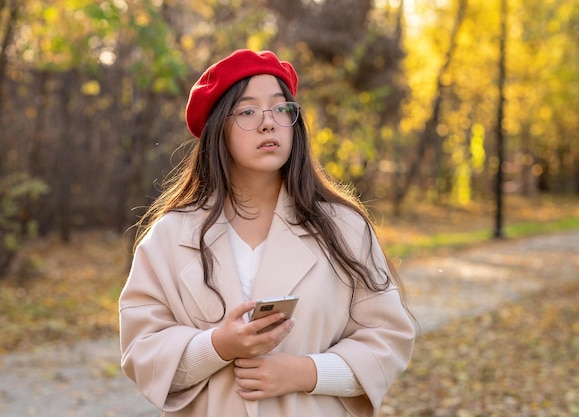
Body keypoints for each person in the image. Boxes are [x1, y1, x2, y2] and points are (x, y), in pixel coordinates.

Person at [119, 49, 416, 417]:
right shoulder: (169, 236)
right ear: (218, 130)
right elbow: (141, 352)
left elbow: (389, 340)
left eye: (281, 109)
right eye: (247, 111)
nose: (268, 123)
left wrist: (305, 373)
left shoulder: (344, 228)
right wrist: (218, 346)